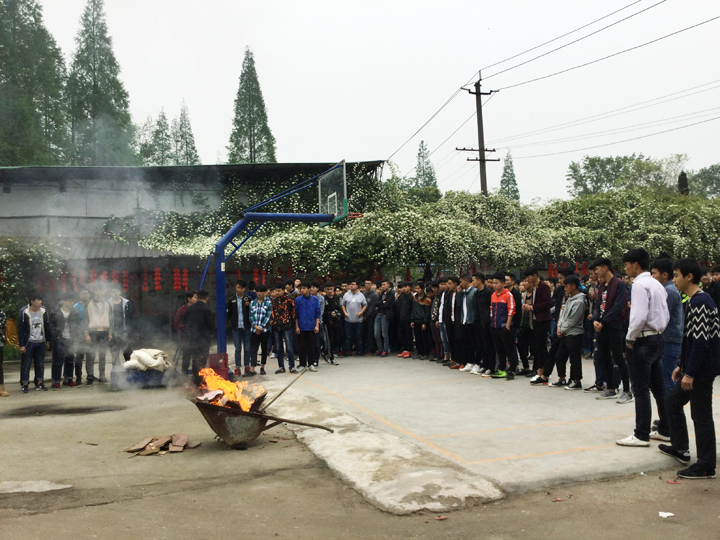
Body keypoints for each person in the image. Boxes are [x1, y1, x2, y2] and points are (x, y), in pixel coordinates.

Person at [659, 258, 719, 479]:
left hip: (702, 370)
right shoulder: (693, 301)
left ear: (689, 277)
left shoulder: (702, 302)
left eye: (676, 275)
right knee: (672, 402)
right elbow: (691, 339)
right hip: (693, 368)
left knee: (701, 415)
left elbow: (702, 342)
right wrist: (681, 367)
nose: (673, 280)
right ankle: (680, 448)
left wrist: (691, 372)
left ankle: (705, 465)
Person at [616, 247, 670, 447]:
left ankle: (641, 434)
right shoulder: (657, 284)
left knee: (640, 390)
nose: (626, 269)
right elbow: (664, 314)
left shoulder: (639, 286)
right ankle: (666, 429)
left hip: (642, 340)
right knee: (658, 388)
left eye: (627, 265)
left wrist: (630, 338)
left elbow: (637, 317)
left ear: (635, 264)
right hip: (657, 338)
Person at [590, 258, 630, 400]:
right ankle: (611, 388)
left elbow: (618, 307)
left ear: (605, 268)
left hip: (614, 326)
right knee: (604, 357)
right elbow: (596, 306)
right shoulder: (601, 286)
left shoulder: (619, 285)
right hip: (601, 327)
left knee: (618, 357)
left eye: (598, 269)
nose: (596, 272)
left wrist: (603, 321)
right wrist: (595, 320)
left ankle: (627, 390)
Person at [650, 259, 684, 393]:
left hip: (670, 340)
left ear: (664, 275)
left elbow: (662, 317)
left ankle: (673, 411)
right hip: (669, 339)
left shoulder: (668, 291)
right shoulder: (666, 289)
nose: (652, 277)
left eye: (654, 273)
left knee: (668, 380)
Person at [554, 275, 586, 390]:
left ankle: (576, 380)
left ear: (573, 286)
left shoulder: (579, 301)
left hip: (575, 333)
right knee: (559, 356)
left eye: (566, 286)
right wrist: (559, 327)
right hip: (565, 332)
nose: (565, 289)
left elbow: (573, 319)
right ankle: (562, 378)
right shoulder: (569, 299)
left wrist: (562, 329)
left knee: (574, 358)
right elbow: (562, 314)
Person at [19, 291, 52, 393]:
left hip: (41, 341)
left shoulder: (43, 312)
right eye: (38, 300)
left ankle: (40, 382)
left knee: (40, 363)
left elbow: (47, 327)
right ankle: (25, 384)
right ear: (32, 301)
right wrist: (22, 345)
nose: (40, 302)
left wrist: (48, 341)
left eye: (40, 300)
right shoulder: (24, 313)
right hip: (29, 342)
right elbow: (21, 330)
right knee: (26, 364)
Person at [523, 268, 552, 385]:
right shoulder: (534, 288)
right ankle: (540, 370)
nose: (528, 280)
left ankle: (542, 371)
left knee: (541, 346)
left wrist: (533, 308)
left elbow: (548, 303)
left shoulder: (543, 286)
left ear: (535, 275)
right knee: (536, 345)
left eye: (529, 277)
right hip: (535, 320)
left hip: (543, 319)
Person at [50, 294, 82, 390]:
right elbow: (51, 326)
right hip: (59, 338)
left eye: (72, 301)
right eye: (69, 301)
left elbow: (78, 325)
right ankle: (56, 381)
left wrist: (76, 336)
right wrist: (56, 335)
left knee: (70, 359)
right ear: (64, 301)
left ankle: (68, 379)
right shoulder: (55, 312)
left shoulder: (75, 312)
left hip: (71, 338)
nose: (72, 303)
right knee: (57, 361)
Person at [489, 271, 517, 379]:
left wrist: (508, 325)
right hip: (495, 326)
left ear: (503, 283)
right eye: (493, 283)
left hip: (504, 326)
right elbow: (491, 309)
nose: (494, 285)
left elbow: (511, 310)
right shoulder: (493, 295)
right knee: (499, 349)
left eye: (496, 283)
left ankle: (512, 369)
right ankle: (501, 369)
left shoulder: (508, 295)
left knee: (509, 349)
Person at [185, 289, 214, 385]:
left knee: (195, 359)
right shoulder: (206, 310)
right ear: (207, 298)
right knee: (202, 360)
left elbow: (186, 322)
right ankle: (199, 380)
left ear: (198, 297)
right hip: (203, 339)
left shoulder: (189, 309)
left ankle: (195, 378)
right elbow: (210, 325)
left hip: (192, 338)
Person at [84, 287, 111, 385]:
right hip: (93, 331)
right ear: (94, 292)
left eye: (101, 291)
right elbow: (85, 319)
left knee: (102, 355)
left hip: (104, 331)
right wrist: (86, 333)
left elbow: (110, 318)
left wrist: (110, 332)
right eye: (97, 291)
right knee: (91, 354)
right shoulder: (88, 304)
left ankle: (102, 376)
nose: (99, 293)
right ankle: (90, 376)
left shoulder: (107, 304)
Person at [227, 280, 252, 377]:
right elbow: (229, 314)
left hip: (246, 326)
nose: (238, 289)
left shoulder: (248, 299)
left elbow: (251, 312)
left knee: (247, 348)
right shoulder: (231, 299)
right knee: (237, 348)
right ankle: (237, 367)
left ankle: (247, 366)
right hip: (236, 327)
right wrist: (231, 322)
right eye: (237, 287)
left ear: (244, 289)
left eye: (240, 287)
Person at [472, 272, 496, 376]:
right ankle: (484, 365)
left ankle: (491, 367)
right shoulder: (477, 293)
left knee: (488, 345)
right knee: (480, 345)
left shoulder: (488, 293)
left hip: (486, 322)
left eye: (473, 280)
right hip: (477, 322)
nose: (472, 282)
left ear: (479, 280)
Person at [295, 282, 321, 371]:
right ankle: (302, 364)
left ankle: (311, 363)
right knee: (302, 346)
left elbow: (317, 313)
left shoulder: (315, 300)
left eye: (304, 288)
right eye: (301, 288)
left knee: (312, 345)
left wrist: (317, 325)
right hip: (301, 326)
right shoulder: (298, 300)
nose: (302, 290)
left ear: (309, 289)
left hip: (311, 326)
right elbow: (296, 315)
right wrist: (297, 326)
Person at [108, 284, 134, 370]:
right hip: (112, 332)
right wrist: (109, 332)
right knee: (114, 354)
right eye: (113, 291)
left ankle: (130, 370)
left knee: (127, 352)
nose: (115, 293)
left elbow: (130, 318)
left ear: (120, 292)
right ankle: (117, 373)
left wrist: (129, 330)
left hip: (124, 331)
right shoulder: (108, 303)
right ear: (111, 293)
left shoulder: (127, 303)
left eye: (117, 291)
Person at [249, 284, 272, 376]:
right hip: (254, 330)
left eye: (261, 291)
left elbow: (268, 316)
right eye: (257, 291)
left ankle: (262, 367)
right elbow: (250, 316)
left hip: (264, 330)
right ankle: (252, 369)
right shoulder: (252, 302)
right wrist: (255, 326)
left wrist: (261, 327)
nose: (259, 293)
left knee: (264, 348)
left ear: (265, 292)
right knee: (253, 349)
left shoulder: (268, 302)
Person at [457, 275, 478, 372]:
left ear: (466, 281)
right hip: (464, 320)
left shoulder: (473, 292)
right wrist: (459, 293)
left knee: (474, 343)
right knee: (466, 343)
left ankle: (476, 362)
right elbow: (459, 304)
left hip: (472, 320)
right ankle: (469, 362)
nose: (460, 284)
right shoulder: (464, 293)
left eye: (461, 282)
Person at [174, 290, 197, 375]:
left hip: (196, 338)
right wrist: (186, 327)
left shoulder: (198, 309)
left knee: (196, 359)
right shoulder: (182, 310)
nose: (196, 299)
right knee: (186, 358)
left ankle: (196, 377)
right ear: (189, 298)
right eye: (194, 297)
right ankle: (184, 377)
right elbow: (176, 324)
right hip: (185, 338)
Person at [341, 280, 367, 356]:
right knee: (348, 336)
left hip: (358, 319)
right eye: (351, 284)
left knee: (358, 336)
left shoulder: (361, 295)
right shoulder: (346, 294)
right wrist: (345, 312)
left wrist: (361, 312)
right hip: (348, 319)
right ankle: (347, 351)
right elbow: (343, 304)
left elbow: (365, 305)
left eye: (353, 284)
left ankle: (360, 351)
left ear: (357, 286)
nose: (352, 286)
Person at [72, 288, 91, 385]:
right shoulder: (75, 307)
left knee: (90, 356)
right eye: (83, 293)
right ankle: (78, 377)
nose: (85, 295)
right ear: (79, 295)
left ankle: (90, 376)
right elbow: (75, 322)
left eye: (87, 293)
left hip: (91, 333)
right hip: (79, 334)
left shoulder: (92, 305)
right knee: (79, 356)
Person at [410, 281, 432, 359]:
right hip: (416, 320)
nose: (417, 290)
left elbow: (427, 312)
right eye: (416, 288)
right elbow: (413, 309)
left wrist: (425, 322)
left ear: (422, 289)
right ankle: (419, 352)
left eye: (418, 288)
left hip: (422, 320)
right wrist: (412, 320)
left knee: (424, 337)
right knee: (417, 337)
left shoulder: (427, 299)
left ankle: (425, 353)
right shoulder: (415, 297)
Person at [375, 280, 396, 358]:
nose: (382, 286)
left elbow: (388, 304)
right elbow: (376, 303)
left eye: (384, 284)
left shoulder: (392, 293)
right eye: (382, 285)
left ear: (388, 285)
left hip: (385, 315)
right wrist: (382, 302)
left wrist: (382, 303)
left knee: (384, 333)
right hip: (378, 314)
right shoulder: (381, 293)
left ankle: (385, 350)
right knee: (376, 333)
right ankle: (379, 349)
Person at [322, 282, 340, 365]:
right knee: (330, 340)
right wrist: (329, 314)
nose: (330, 291)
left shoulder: (336, 298)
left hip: (335, 322)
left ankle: (325, 352)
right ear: (325, 290)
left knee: (336, 338)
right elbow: (322, 312)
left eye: (331, 289)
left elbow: (339, 308)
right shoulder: (323, 299)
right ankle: (331, 356)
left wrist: (337, 313)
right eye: (328, 289)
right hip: (327, 322)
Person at [363, 279, 379, 355]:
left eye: (369, 283)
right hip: (363, 316)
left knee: (370, 333)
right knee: (364, 333)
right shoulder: (363, 294)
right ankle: (365, 348)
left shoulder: (374, 294)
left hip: (371, 316)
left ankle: (371, 348)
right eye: (366, 283)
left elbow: (372, 307)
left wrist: (366, 315)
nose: (367, 285)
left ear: (372, 284)